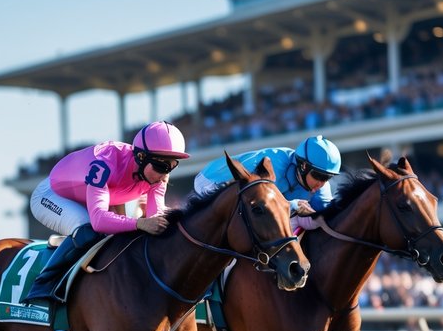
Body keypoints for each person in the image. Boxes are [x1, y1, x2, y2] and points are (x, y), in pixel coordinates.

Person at [25, 120, 189, 303]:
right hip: (52, 195)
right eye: (161, 166)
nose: (165, 174)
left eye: (172, 165)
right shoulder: (105, 163)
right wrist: (140, 223)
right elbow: (98, 221)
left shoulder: (157, 176)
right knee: (88, 230)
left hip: (99, 196)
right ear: (141, 157)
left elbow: (155, 217)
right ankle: (43, 285)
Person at [193, 135, 342, 229]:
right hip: (211, 183)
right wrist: (293, 205)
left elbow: (328, 215)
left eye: (327, 177)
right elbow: (257, 204)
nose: (322, 183)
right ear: (303, 166)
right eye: (319, 176)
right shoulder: (273, 164)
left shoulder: (321, 186)